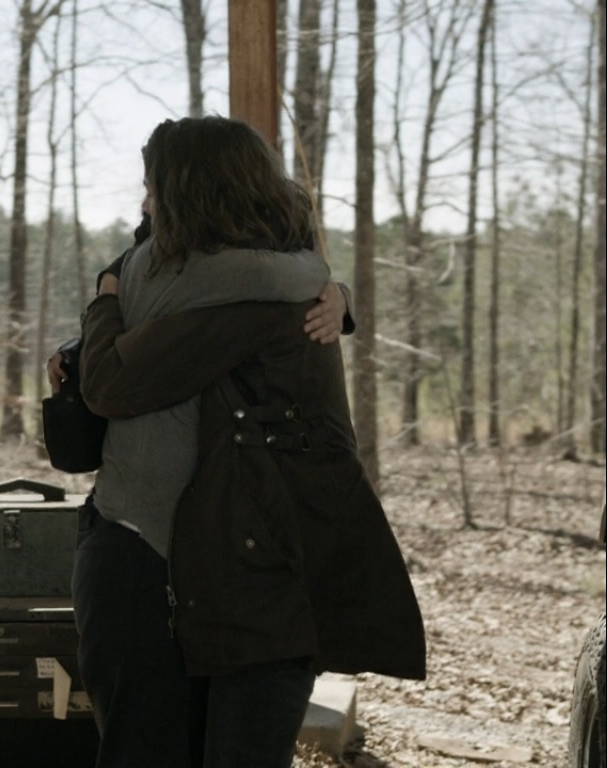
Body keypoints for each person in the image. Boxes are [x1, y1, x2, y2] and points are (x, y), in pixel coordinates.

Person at [74, 115, 425, 766]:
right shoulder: (293, 273)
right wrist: (339, 294)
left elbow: (109, 383)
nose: (144, 205)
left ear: (191, 195)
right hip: (259, 566)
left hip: (180, 560)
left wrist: (103, 300)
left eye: (153, 189)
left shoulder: (211, 288)